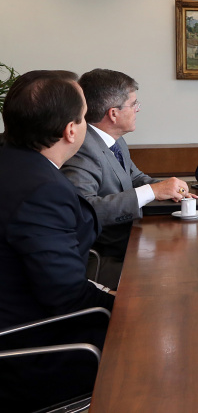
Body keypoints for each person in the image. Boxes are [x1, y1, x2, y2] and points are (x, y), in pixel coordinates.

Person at [0, 70, 115, 410]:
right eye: (84, 117)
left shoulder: (13, 164)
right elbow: (66, 296)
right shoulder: (42, 189)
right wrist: (132, 308)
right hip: (30, 350)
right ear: (70, 130)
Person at [62, 69, 192, 289]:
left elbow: (134, 176)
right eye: (134, 105)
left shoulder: (114, 140)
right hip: (107, 257)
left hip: (133, 240)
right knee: (180, 276)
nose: (137, 110)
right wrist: (152, 191)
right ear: (113, 114)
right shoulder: (83, 149)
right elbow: (86, 210)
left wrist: (168, 188)